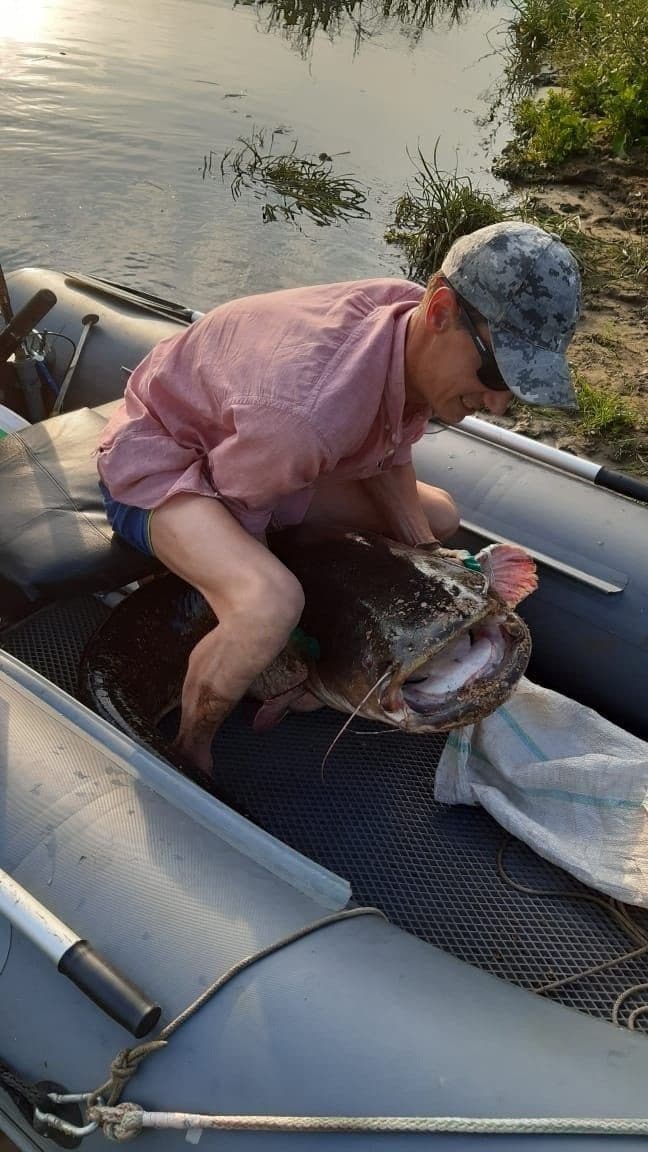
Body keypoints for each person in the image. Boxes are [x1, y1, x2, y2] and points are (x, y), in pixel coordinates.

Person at [97, 220, 581, 774]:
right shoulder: (305, 419)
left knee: (439, 515)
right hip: (160, 466)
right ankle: (189, 753)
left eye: (515, 387)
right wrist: (285, 644)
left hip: (247, 452)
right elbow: (242, 522)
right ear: (442, 308)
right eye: (495, 371)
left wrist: (435, 570)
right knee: (267, 606)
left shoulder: (407, 326)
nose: (497, 403)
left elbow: (389, 449)